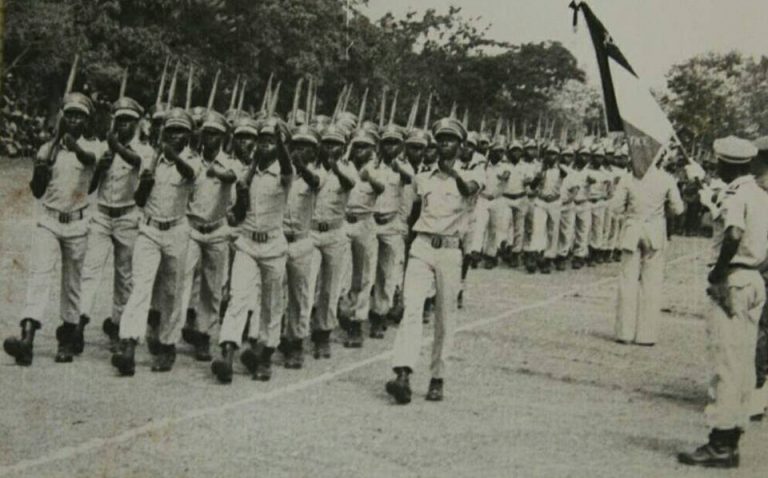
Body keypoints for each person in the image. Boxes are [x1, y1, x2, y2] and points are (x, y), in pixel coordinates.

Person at [678, 136, 768, 468]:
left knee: (724, 361)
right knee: (743, 363)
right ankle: (732, 437)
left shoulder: (737, 195)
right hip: (754, 278)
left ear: (726, 164)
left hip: (733, 278)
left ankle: (719, 441)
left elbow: (732, 233)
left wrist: (718, 275)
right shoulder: (760, 194)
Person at [386, 116, 482, 405]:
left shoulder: (474, 173)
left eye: (450, 140)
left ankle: (437, 377)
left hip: (450, 250)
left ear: (461, 145)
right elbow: (413, 210)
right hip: (423, 246)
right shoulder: (424, 177)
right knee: (412, 309)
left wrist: (452, 173)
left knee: (444, 316)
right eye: (440, 140)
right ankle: (402, 373)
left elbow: (469, 191)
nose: (444, 145)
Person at [4, 93, 105, 366]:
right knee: (39, 276)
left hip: (77, 221)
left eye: (79, 116)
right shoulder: (49, 148)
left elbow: (88, 161)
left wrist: (69, 143)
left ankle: (67, 338)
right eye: (69, 114)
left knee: (72, 284)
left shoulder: (95, 145)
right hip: (49, 219)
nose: (74, 120)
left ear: (87, 119)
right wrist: (43, 163)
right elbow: (37, 191)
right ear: (62, 116)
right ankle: (27, 338)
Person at [111, 107, 202, 376]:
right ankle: (128, 343)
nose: (174, 136)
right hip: (149, 229)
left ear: (187, 136)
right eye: (170, 131)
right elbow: (139, 200)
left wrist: (173, 156)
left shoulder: (192, 159)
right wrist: (146, 182)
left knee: (172, 292)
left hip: (176, 230)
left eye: (180, 132)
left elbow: (190, 174)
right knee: (140, 285)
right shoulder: (150, 157)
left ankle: (167, 344)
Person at [211, 117, 294, 383]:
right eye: (262, 141)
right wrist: (242, 191)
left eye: (270, 142)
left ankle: (265, 355)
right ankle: (227, 351)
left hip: (272, 244)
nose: (265, 146)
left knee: (271, 303)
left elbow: (287, 167)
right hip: (247, 241)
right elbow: (237, 213)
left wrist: (281, 143)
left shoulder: (284, 173)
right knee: (239, 296)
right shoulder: (248, 173)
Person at [80, 97, 152, 352]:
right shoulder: (103, 148)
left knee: (124, 276)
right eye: (119, 121)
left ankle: (119, 326)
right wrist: (101, 167)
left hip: (127, 216)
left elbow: (138, 163)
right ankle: (79, 322)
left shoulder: (144, 150)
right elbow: (89, 188)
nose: (123, 126)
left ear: (137, 124)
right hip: (101, 214)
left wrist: (117, 148)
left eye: (128, 122)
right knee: (90, 269)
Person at [178, 110, 238, 361]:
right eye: (206, 133)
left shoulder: (230, 163)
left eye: (215, 134)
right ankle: (172, 331)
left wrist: (218, 173)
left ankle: (204, 335)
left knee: (212, 288)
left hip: (216, 230)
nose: (209, 138)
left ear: (223, 138)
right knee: (181, 278)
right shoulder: (191, 159)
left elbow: (232, 177)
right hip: (191, 228)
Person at [613, 151, 684, 346]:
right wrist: (661, 212)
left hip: (632, 229)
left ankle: (624, 333)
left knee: (627, 281)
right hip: (655, 231)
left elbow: (616, 208)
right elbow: (678, 209)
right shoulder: (666, 179)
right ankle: (646, 335)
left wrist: (632, 212)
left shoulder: (628, 178)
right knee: (651, 283)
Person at [308, 124, 357, 359]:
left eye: (335, 144)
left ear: (344, 147)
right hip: (311, 231)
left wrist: (335, 165)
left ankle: (323, 334)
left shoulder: (348, 169)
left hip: (335, 233)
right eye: (326, 143)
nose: (330, 148)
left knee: (330, 287)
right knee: (306, 285)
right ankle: (296, 334)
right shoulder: (310, 168)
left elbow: (349, 184)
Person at [281, 124, 324, 368]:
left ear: (314, 152)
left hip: (301, 241)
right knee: (273, 292)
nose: (300, 151)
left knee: (299, 295)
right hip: (279, 238)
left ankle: (295, 341)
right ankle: (271, 340)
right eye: (296, 146)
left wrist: (300, 166)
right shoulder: (283, 172)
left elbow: (314, 181)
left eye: (306, 147)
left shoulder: (316, 173)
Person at [341, 128, 384, 346]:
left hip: (365, 222)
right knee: (341, 274)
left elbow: (381, 187)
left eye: (365, 146)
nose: (360, 150)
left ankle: (357, 322)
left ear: (373, 150)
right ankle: (337, 314)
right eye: (356, 145)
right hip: (342, 222)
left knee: (364, 274)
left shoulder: (377, 169)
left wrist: (370, 177)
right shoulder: (343, 165)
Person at [371, 124, 413, 336]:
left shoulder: (403, 166)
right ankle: (356, 313)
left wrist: (398, 167)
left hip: (391, 222)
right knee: (364, 270)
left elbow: (409, 179)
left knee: (387, 272)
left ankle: (379, 314)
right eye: (386, 142)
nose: (390, 147)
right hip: (370, 221)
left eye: (395, 143)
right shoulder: (372, 165)